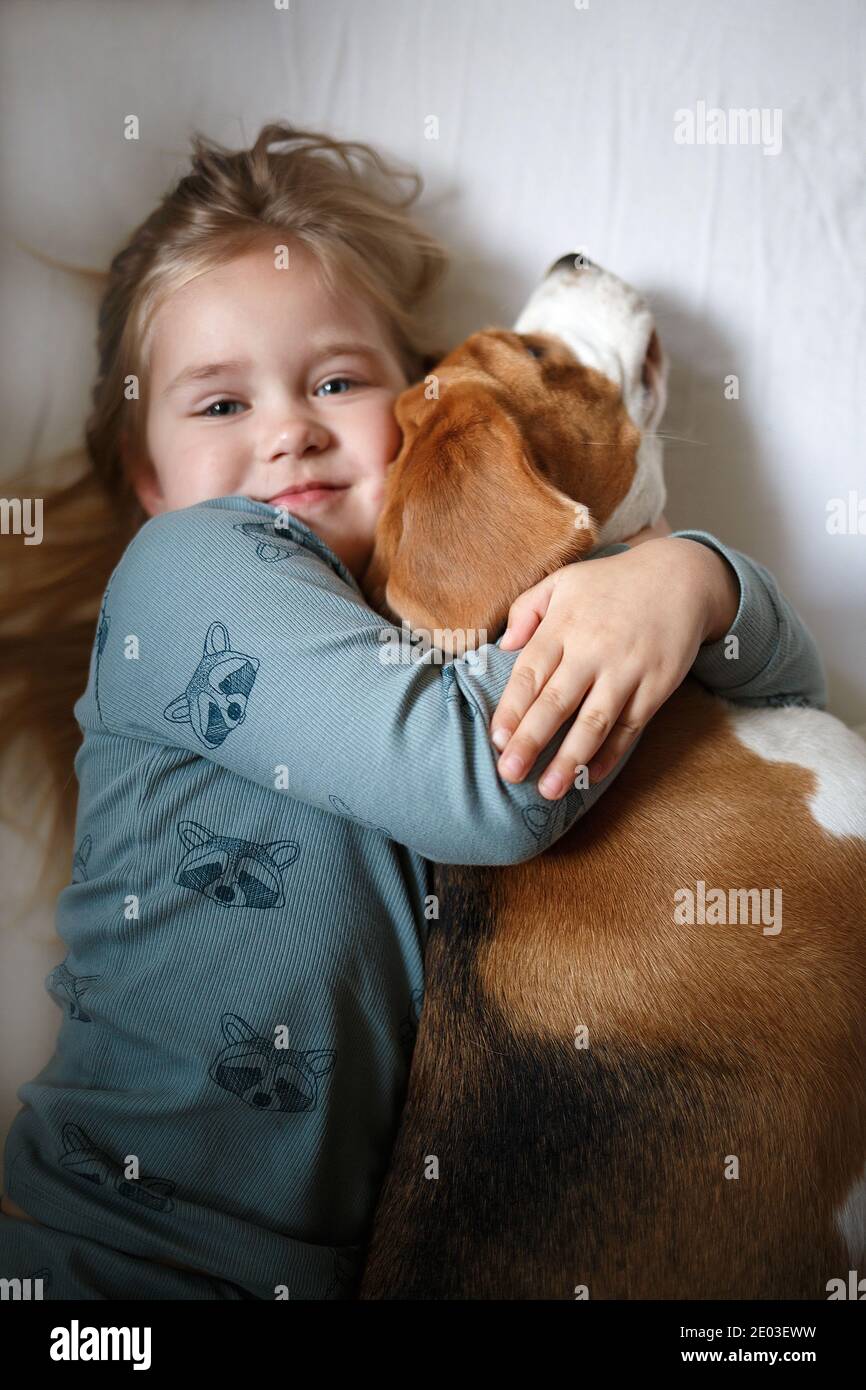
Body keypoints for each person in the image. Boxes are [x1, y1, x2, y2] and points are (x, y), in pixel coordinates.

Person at [0, 123, 825, 1299]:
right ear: (146, 480)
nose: (287, 427)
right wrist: (633, 586)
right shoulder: (188, 570)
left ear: (416, 408)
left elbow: (787, 693)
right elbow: (480, 784)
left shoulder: (429, 647)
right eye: (220, 403)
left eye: (336, 381)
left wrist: (696, 582)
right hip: (113, 1274)